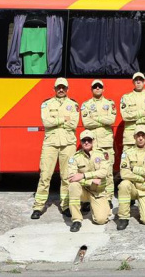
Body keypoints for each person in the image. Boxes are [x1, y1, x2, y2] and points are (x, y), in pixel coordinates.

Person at [32, 77, 79, 219]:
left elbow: (74, 123)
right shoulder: (46, 104)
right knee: (45, 175)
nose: (61, 90)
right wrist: (64, 119)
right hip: (50, 144)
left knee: (67, 177)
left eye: (63, 87)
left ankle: (65, 206)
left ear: (67, 89)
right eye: (58, 87)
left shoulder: (73, 104)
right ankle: (38, 206)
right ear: (54, 89)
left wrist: (56, 122)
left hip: (68, 144)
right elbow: (46, 122)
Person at [116, 126, 145, 229]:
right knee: (124, 184)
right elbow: (124, 173)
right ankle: (123, 218)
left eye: (143, 135)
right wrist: (140, 178)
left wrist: (134, 169)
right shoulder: (127, 153)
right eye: (138, 136)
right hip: (133, 188)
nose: (140, 138)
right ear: (134, 137)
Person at [66, 130, 112, 231]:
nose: (86, 142)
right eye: (84, 140)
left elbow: (103, 172)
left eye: (89, 140)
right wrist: (90, 181)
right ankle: (76, 220)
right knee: (73, 186)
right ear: (81, 142)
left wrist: (83, 175)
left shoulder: (102, 154)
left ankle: (95, 206)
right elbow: (71, 177)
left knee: (101, 220)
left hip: (98, 192)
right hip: (84, 191)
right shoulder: (75, 157)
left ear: (93, 141)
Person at [80, 79, 117, 198]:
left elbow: (111, 120)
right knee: (90, 171)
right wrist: (103, 120)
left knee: (109, 172)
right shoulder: (85, 105)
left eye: (99, 86)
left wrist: (95, 118)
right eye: (95, 87)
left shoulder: (110, 103)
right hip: (92, 144)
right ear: (91, 89)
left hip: (106, 144)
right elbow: (86, 123)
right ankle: (89, 197)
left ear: (103, 89)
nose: (97, 88)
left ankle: (109, 197)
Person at [120, 72, 145, 146]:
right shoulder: (126, 97)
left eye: (140, 80)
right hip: (131, 137)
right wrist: (142, 113)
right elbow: (125, 116)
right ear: (133, 82)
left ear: (144, 82)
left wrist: (135, 120)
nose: (138, 82)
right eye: (136, 80)